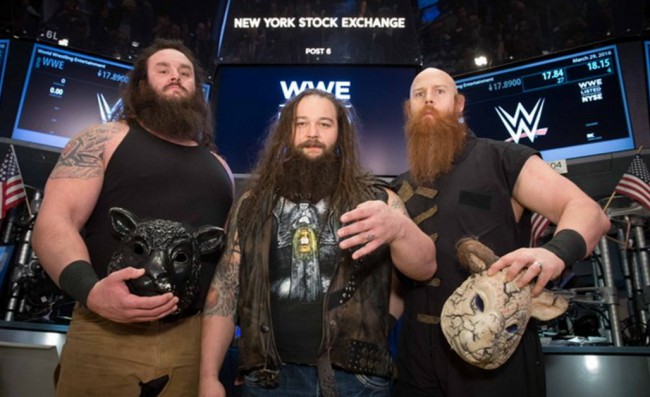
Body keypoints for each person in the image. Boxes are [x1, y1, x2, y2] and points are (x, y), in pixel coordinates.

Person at [199, 89, 436, 397]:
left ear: (340, 133)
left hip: (355, 382)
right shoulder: (252, 204)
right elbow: (226, 290)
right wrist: (208, 376)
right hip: (270, 378)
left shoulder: (378, 199)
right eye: (301, 124)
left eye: (324, 124)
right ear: (287, 132)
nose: (312, 133)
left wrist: (399, 230)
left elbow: (425, 267)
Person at [32, 38, 234, 396]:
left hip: (190, 341)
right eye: (163, 70)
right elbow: (55, 223)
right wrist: (92, 292)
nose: (176, 77)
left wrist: (209, 373)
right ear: (142, 85)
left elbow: (225, 268)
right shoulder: (103, 140)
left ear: (197, 90)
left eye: (185, 73)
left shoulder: (220, 167)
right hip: (106, 331)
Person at [391, 67, 611, 397]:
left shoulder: (503, 159)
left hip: (494, 347)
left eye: (439, 92)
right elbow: (395, 288)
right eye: (419, 95)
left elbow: (588, 212)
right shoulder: (398, 187)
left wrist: (553, 252)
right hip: (416, 356)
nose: (429, 100)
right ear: (409, 109)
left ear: (459, 104)